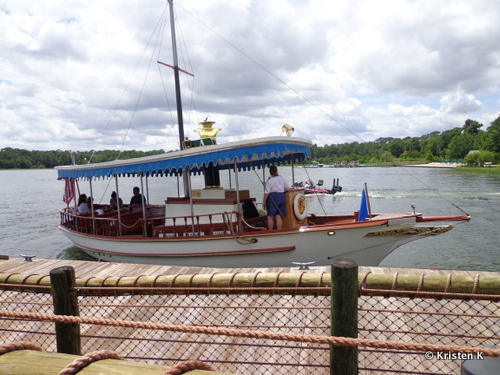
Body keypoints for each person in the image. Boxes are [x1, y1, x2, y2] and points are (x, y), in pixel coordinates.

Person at [263, 165, 290, 230]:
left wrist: (264, 202)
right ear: (277, 170)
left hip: (272, 197)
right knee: (278, 216)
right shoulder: (282, 178)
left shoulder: (269, 181)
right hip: (281, 196)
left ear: (270, 172)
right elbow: (287, 187)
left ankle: (270, 231)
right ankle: (279, 230)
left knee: (270, 216)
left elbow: (266, 193)